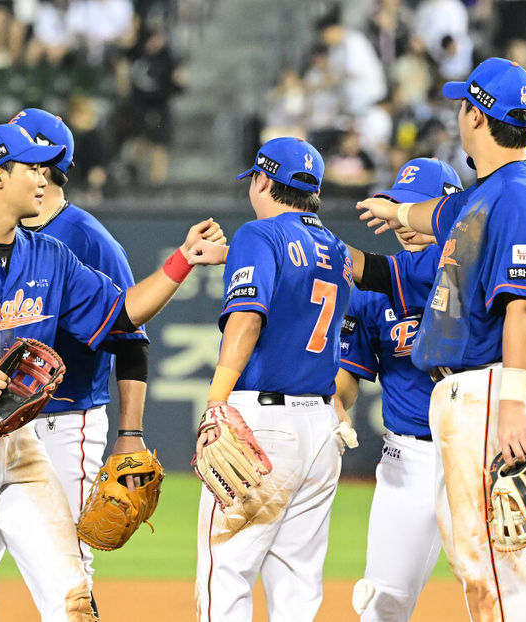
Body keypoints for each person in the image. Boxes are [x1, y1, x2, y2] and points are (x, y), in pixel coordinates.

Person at [0, 123, 224, 621]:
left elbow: (123, 315)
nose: (45, 178)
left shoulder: (52, 256)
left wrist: (182, 261)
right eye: (32, 168)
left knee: (70, 591)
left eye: (45, 168)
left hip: (22, 441)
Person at [356, 57, 526, 621]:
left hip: (497, 391)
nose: (457, 114)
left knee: (493, 568)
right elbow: (440, 213)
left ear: (475, 115)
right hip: (478, 393)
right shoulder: (491, 192)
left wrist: (514, 405)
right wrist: (399, 211)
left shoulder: (518, 196)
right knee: (480, 565)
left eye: (462, 105)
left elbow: (524, 307)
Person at [0, 108, 156, 619]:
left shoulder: (88, 240)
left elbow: (130, 340)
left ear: (44, 165)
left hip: (66, 424)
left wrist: (129, 434)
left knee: (68, 568)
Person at [192, 137, 353, 622]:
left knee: (227, 574)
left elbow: (247, 320)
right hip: (321, 430)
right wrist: (236, 258)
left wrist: (217, 398)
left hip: (265, 424)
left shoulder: (258, 236)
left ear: (263, 180)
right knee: (297, 586)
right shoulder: (338, 249)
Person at [336, 158, 462, 622]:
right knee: (382, 603)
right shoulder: (374, 288)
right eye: (397, 206)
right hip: (407, 460)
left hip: (474, 453)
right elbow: (349, 373)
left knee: (490, 590)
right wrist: (334, 404)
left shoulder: (474, 266)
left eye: (415, 206)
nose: (402, 219)